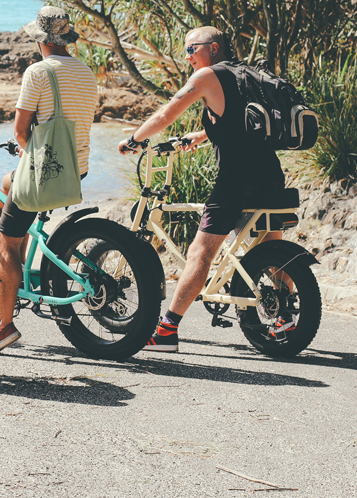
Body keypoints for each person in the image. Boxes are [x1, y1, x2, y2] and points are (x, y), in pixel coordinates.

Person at [118, 26, 285, 351]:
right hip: (270, 175)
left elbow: (167, 113)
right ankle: (286, 318)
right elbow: (244, 121)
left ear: (213, 48)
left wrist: (134, 139)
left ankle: (167, 330)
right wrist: (202, 135)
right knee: (274, 254)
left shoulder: (208, 75)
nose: (187, 58)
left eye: (190, 50)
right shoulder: (250, 74)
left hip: (235, 180)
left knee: (201, 252)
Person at [0, 6, 98, 351]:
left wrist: (29, 154)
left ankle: (3, 326)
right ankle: (19, 273)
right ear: (65, 38)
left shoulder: (38, 72)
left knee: (5, 240)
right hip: (76, 170)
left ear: (40, 40)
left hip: (47, 173)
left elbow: (21, 132)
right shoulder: (86, 72)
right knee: (9, 184)